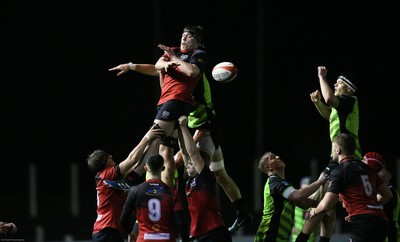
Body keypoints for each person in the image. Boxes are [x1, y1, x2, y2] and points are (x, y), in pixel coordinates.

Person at [301, 66, 361, 241]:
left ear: (349, 89)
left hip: (347, 159)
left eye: (340, 82)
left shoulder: (350, 100)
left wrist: (321, 77)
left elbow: (329, 98)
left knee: (320, 202)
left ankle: (301, 239)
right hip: (339, 159)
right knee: (328, 206)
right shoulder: (342, 108)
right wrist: (318, 103)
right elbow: (330, 115)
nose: (335, 83)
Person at [87, 124, 164, 242]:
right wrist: (147, 137)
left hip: (112, 232)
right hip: (105, 232)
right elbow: (132, 159)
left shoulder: (116, 180)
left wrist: (155, 139)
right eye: (108, 156)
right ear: (105, 163)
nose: (111, 156)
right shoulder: (105, 175)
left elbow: (140, 164)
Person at [309, 133, 393, 242]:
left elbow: (326, 204)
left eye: (333, 148)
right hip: (380, 221)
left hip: (363, 223)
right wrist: (370, 208)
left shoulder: (340, 170)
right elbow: (387, 195)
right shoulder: (367, 168)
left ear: (338, 150)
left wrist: (315, 211)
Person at [177, 115, 232, 241]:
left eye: (192, 163)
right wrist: (179, 128)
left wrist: (184, 127)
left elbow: (193, 153)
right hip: (199, 235)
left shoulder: (205, 177)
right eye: (188, 163)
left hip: (215, 233)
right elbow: (184, 150)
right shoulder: (189, 181)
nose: (189, 164)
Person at [253, 151, 328, 242]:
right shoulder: (274, 182)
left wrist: (325, 188)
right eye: (273, 157)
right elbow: (298, 196)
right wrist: (319, 182)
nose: (278, 156)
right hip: (269, 237)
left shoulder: (283, 186)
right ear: (269, 167)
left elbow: (307, 204)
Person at [120, 154, 176, 242]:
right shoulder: (171, 192)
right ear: (163, 168)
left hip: (144, 239)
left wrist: (131, 233)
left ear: (145, 168)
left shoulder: (135, 190)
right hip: (166, 239)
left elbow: (123, 220)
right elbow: (178, 219)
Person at [362, 151, 400, 242]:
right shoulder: (376, 191)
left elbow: (370, 210)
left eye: (381, 170)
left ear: (388, 175)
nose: (377, 172)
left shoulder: (390, 192)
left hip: (391, 237)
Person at [291, 176, 316, 242]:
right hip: (296, 237)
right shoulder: (296, 199)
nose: (306, 191)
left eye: (308, 188)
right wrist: (290, 227)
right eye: (304, 188)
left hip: (311, 237)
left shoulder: (315, 202)